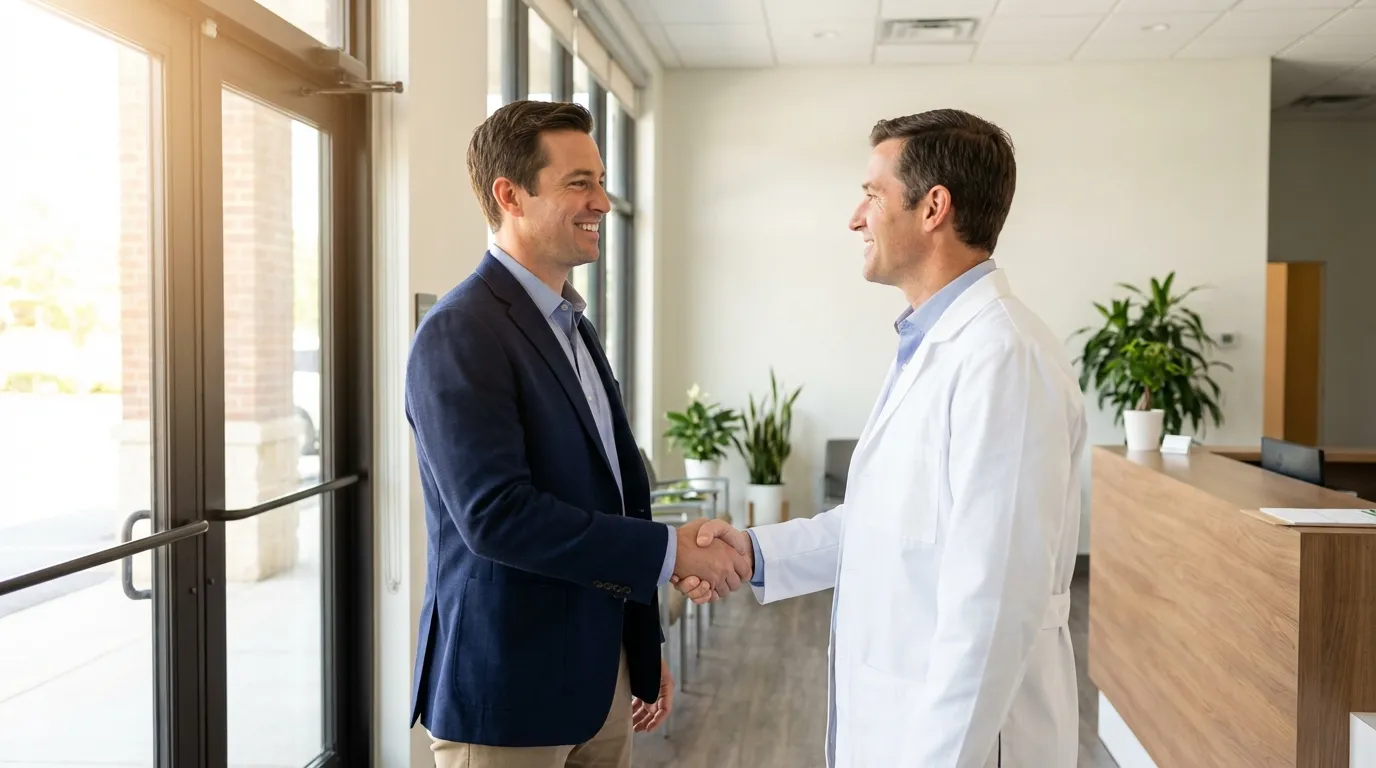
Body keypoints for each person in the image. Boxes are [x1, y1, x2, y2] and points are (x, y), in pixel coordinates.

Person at [677, 109, 1086, 767]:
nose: (855, 218)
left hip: (963, 743)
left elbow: (994, 605)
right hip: (900, 723)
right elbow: (885, 527)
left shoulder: (1003, 357)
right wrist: (755, 552)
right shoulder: (930, 344)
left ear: (933, 208)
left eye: (871, 194)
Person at [405, 99, 750, 768]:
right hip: (508, 699)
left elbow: (614, 496)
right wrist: (669, 553)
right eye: (579, 183)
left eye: (600, 179)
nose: (604, 201)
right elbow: (496, 517)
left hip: (599, 683)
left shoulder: (575, 328)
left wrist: (639, 649)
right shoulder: (460, 331)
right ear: (511, 195)